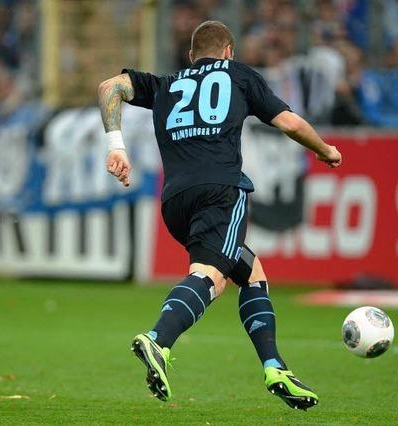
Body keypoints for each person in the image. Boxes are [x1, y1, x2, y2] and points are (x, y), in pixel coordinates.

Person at [97, 20, 341, 410]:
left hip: (175, 203)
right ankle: (159, 341)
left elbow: (110, 87)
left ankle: (275, 367)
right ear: (229, 51)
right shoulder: (239, 75)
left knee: (250, 271)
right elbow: (289, 122)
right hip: (220, 194)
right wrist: (324, 148)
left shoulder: (166, 83)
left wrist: (115, 145)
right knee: (211, 276)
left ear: (192, 56)